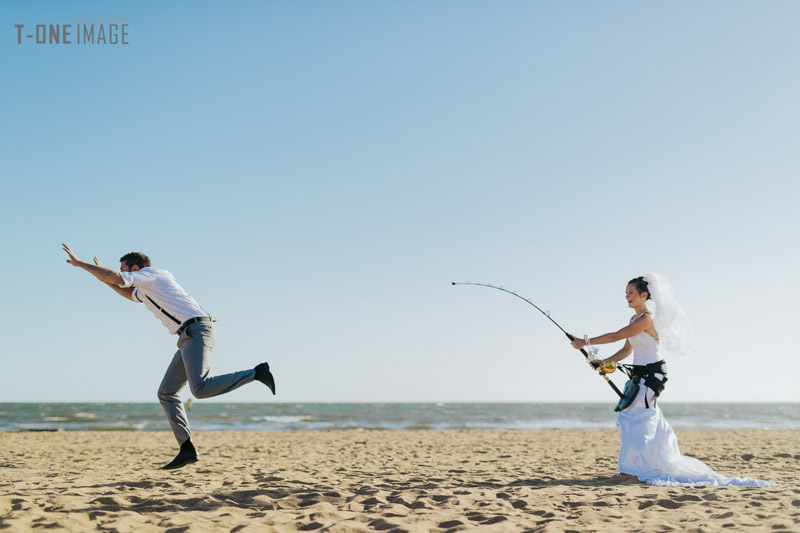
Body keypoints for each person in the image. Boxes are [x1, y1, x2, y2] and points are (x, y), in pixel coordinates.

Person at [62, 244, 276, 470]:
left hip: (197, 330)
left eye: (125, 270)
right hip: (186, 336)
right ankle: (186, 449)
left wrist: (81, 264)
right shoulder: (145, 289)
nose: (124, 274)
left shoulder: (152, 275)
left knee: (200, 389)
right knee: (166, 392)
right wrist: (102, 277)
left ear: (135, 268)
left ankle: (256, 373)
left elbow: (116, 278)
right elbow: (123, 289)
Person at [570, 274, 774, 487]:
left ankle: (633, 471)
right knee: (629, 417)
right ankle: (629, 470)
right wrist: (603, 362)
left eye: (631, 293)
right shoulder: (634, 320)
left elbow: (616, 336)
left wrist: (584, 342)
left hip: (652, 375)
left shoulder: (647, 319)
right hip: (639, 374)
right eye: (626, 293)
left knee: (639, 418)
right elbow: (625, 349)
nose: (627, 297)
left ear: (644, 295)